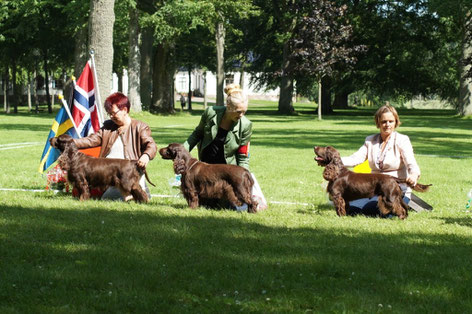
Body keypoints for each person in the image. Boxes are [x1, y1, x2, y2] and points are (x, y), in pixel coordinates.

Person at [74, 92, 157, 200]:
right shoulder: (108, 127)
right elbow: (91, 140)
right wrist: (71, 142)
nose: (111, 116)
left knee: (121, 195)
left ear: (125, 110)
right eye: (109, 114)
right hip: (109, 174)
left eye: (113, 113)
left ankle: (138, 190)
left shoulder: (140, 127)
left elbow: (151, 145)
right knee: (107, 199)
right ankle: (134, 192)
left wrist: (146, 155)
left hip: (129, 171)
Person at [341, 105, 421, 216]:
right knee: (350, 208)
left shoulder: (402, 140)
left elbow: (411, 162)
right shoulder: (370, 140)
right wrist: (334, 160)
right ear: (378, 122)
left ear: (396, 122)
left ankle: (403, 203)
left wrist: (413, 175)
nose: (387, 125)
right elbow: (355, 158)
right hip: (372, 191)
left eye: (391, 121)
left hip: (394, 191)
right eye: (384, 121)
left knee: (374, 210)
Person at [184, 83, 252, 170]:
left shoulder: (246, 125)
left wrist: (244, 174)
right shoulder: (210, 113)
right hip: (205, 166)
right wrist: (182, 152)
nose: (241, 115)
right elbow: (197, 134)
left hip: (227, 171)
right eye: (238, 111)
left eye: (244, 112)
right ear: (228, 106)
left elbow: (243, 155)